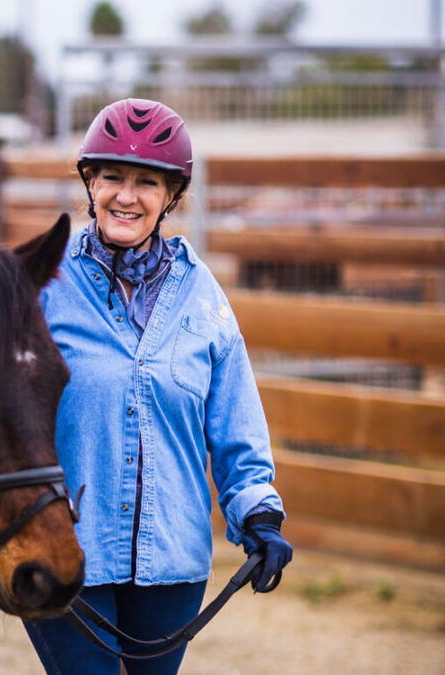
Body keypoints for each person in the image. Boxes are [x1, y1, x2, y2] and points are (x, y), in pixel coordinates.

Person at [24, 98, 293, 674]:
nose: (127, 195)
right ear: (89, 182)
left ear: (172, 196)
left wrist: (259, 517)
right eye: (113, 176)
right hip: (64, 548)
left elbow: (235, 426)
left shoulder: (204, 299)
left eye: (147, 181)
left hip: (172, 559)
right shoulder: (42, 284)